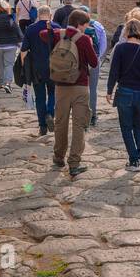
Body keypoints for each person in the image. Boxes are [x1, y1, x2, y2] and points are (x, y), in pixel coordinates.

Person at [43, 10, 98, 177]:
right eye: (86, 25)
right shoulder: (84, 39)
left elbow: (42, 34)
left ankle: (58, 157)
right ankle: (74, 163)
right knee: (79, 125)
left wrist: (60, 31)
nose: (87, 28)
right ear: (80, 24)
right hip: (80, 86)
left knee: (61, 123)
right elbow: (94, 63)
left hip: (61, 86)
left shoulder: (58, 36)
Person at [106, 18, 140, 171]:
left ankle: (133, 160)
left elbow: (114, 72)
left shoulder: (120, 48)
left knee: (126, 127)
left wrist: (109, 90)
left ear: (126, 31)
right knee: (138, 124)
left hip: (125, 92)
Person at [20, 4, 57, 136]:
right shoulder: (56, 28)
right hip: (54, 68)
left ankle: (42, 126)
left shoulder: (31, 29)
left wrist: (24, 67)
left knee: (40, 96)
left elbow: (23, 51)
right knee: (53, 93)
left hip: (37, 68)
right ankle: (50, 114)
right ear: (50, 15)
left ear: (38, 15)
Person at [79, 5, 107, 128]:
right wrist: (97, 59)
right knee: (93, 89)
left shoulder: (76, 27)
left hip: (80, 62)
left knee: (80, 88)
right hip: (94, 61)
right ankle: (93, 115)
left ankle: (81, 115)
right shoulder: (98, 26)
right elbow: (103, 45)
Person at [0, 0, 22, 93]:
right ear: (7, 9)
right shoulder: (10, 19)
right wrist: (20, 41)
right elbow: (16, 31)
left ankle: (1, 83)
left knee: (0, 65)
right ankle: (8, 83)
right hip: (10, 46)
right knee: (9, 65)